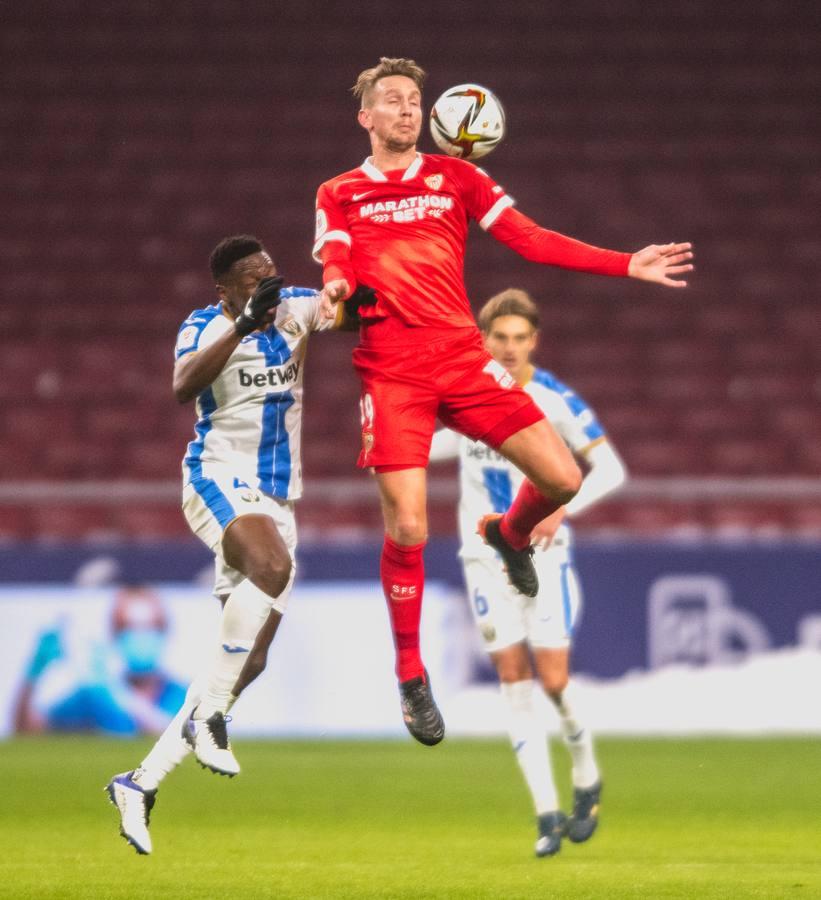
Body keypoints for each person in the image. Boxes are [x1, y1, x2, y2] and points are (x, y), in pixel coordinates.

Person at [313, 57, 692, 745]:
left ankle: (506, 533)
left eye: (413, 100)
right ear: (364, 116)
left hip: (462, 358)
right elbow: (334, 257)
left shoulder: (454, 176)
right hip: (392, 370)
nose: (405, 109)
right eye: (391, 101)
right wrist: (336, 287)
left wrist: (623, 263)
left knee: (562, 478)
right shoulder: (338, 191)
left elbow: (529, 239)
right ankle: (409, 674)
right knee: (407, 527)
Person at [106, 234, 346, 855]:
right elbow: (184, 386)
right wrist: (240, 324)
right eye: (251, 278)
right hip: (216, 477)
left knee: (248, 660)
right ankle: (211, 717)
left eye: (270, 272)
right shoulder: (202, 325)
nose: (266, 283)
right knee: (271, 565)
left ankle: (140, 782)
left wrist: (351, 282)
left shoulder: (296, 306)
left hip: (277, 497)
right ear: (226, 289)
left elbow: (352, 309)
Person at [429, 288, 626, 857]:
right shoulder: (466, 396)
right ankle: (545, 814)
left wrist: (564, 507)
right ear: (483, 340)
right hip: (481, 561)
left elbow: (609, 469)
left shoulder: (554, 398)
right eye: (499, 338)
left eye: (520, 338)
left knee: (557, 684)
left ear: (534, 340)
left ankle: (587, 773)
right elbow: (442, 445)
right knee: (514, 686)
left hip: (545, 556)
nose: (510, 348)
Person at [14, 583, 186, 735]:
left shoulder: (184, 695)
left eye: (149, 627)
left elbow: (174, 737)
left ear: (164, 631)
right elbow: (27, 730)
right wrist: (34, 674)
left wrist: (119, 693)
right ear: (114, 634)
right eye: (129, 627)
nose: (140, 636)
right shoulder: (94, 697)